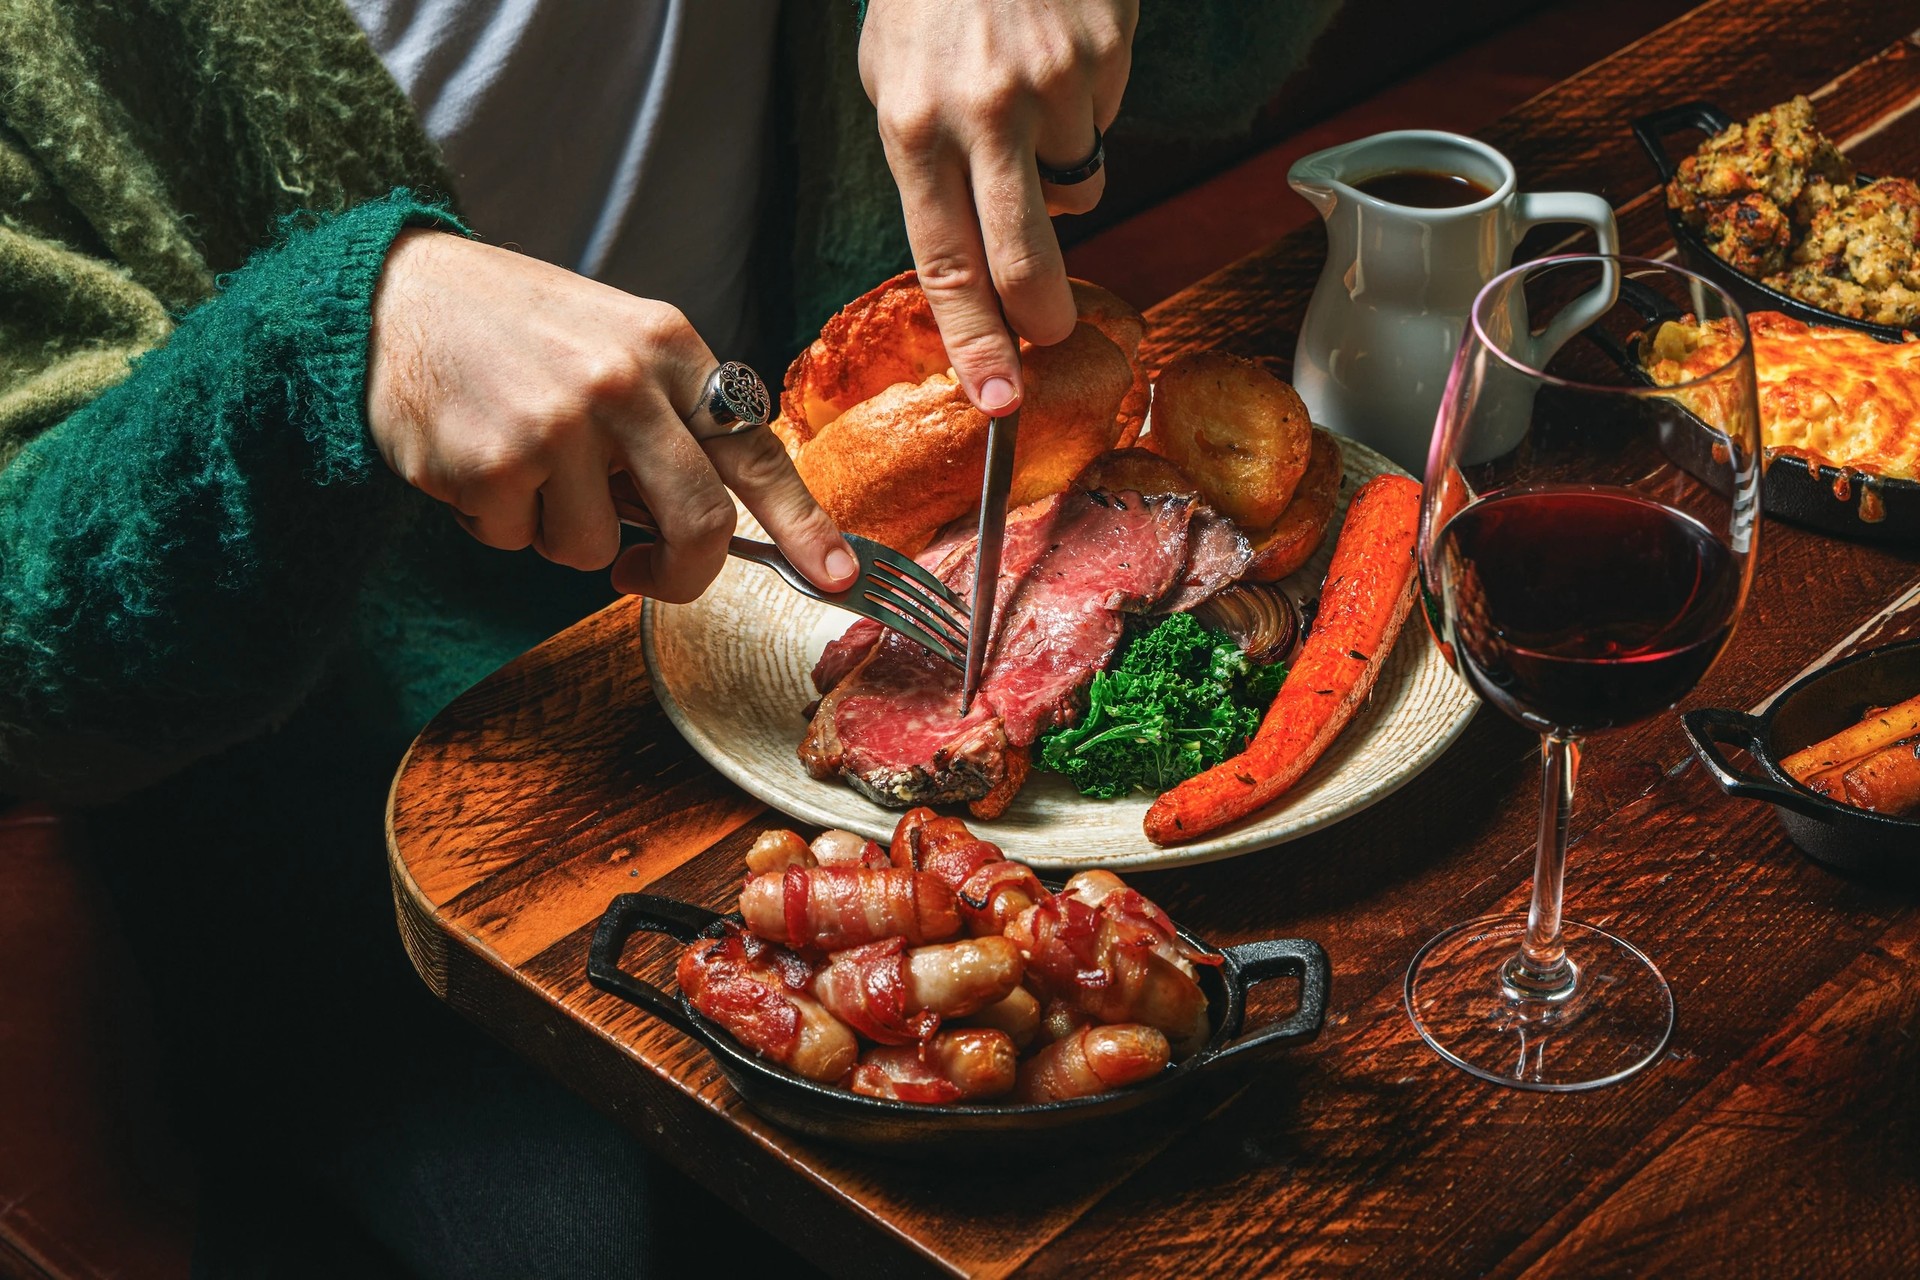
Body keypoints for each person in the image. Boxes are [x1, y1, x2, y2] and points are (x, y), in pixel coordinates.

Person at [0, 1, 1341, 1273]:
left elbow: (1213, 58)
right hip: (354, 776)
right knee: (624, 1238)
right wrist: (343, 351)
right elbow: (31, 666)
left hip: (815, 612)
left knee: (1260, 1129)